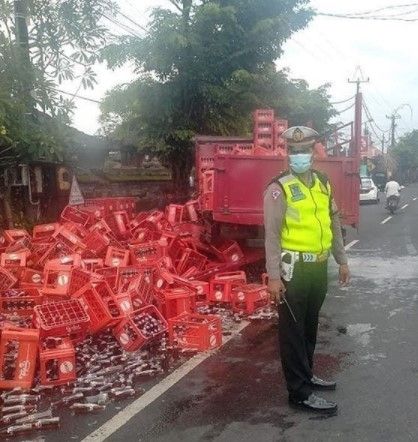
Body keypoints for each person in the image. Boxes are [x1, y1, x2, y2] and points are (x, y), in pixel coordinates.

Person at [263, 126, 350, 413]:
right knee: (292, 331)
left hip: (318, 267)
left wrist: (342, 260)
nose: (299, 155)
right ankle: (299, 393)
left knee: (309, 326)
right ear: (287, 154)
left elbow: (333, 222)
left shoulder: (323, 183)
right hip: (294, 269)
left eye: (304, 150)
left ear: (314, 152)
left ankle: (307, 374)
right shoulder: (279, 188)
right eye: (294, 150)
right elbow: (272, 236)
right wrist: (274, 277)